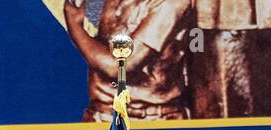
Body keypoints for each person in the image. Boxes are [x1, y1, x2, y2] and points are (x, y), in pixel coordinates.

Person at [62, 0, 196, 121]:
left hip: (154, 120)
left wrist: (74, 24)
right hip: (102, 116)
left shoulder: (170, 3)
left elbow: (119, 67)